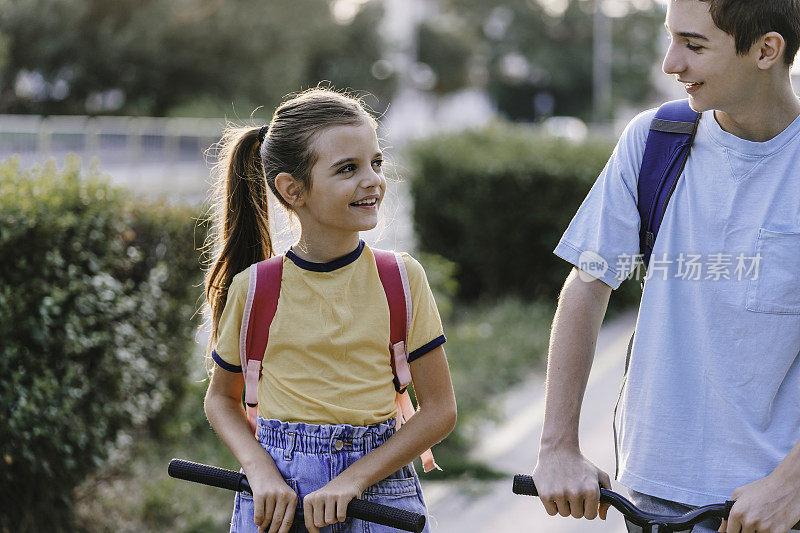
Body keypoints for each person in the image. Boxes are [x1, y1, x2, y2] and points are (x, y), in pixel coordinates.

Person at [532, 1, 800, 532]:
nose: (670, 63)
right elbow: (587, 285)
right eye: (671, 38)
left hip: (776, 505)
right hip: (652, 496)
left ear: (766, 50)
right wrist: (558, 445)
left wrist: (792, 484)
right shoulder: (657, 140)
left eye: (694, 45)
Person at [203, 87, 457, 533]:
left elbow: (439, 410)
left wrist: (353, 481)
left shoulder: (401, 278)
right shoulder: (255, 288)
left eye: (375, 163)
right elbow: (221, 399)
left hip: (379, 497)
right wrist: (260, 471)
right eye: (347, 169)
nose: (373, 180)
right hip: (277, 506)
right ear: (292, 189)